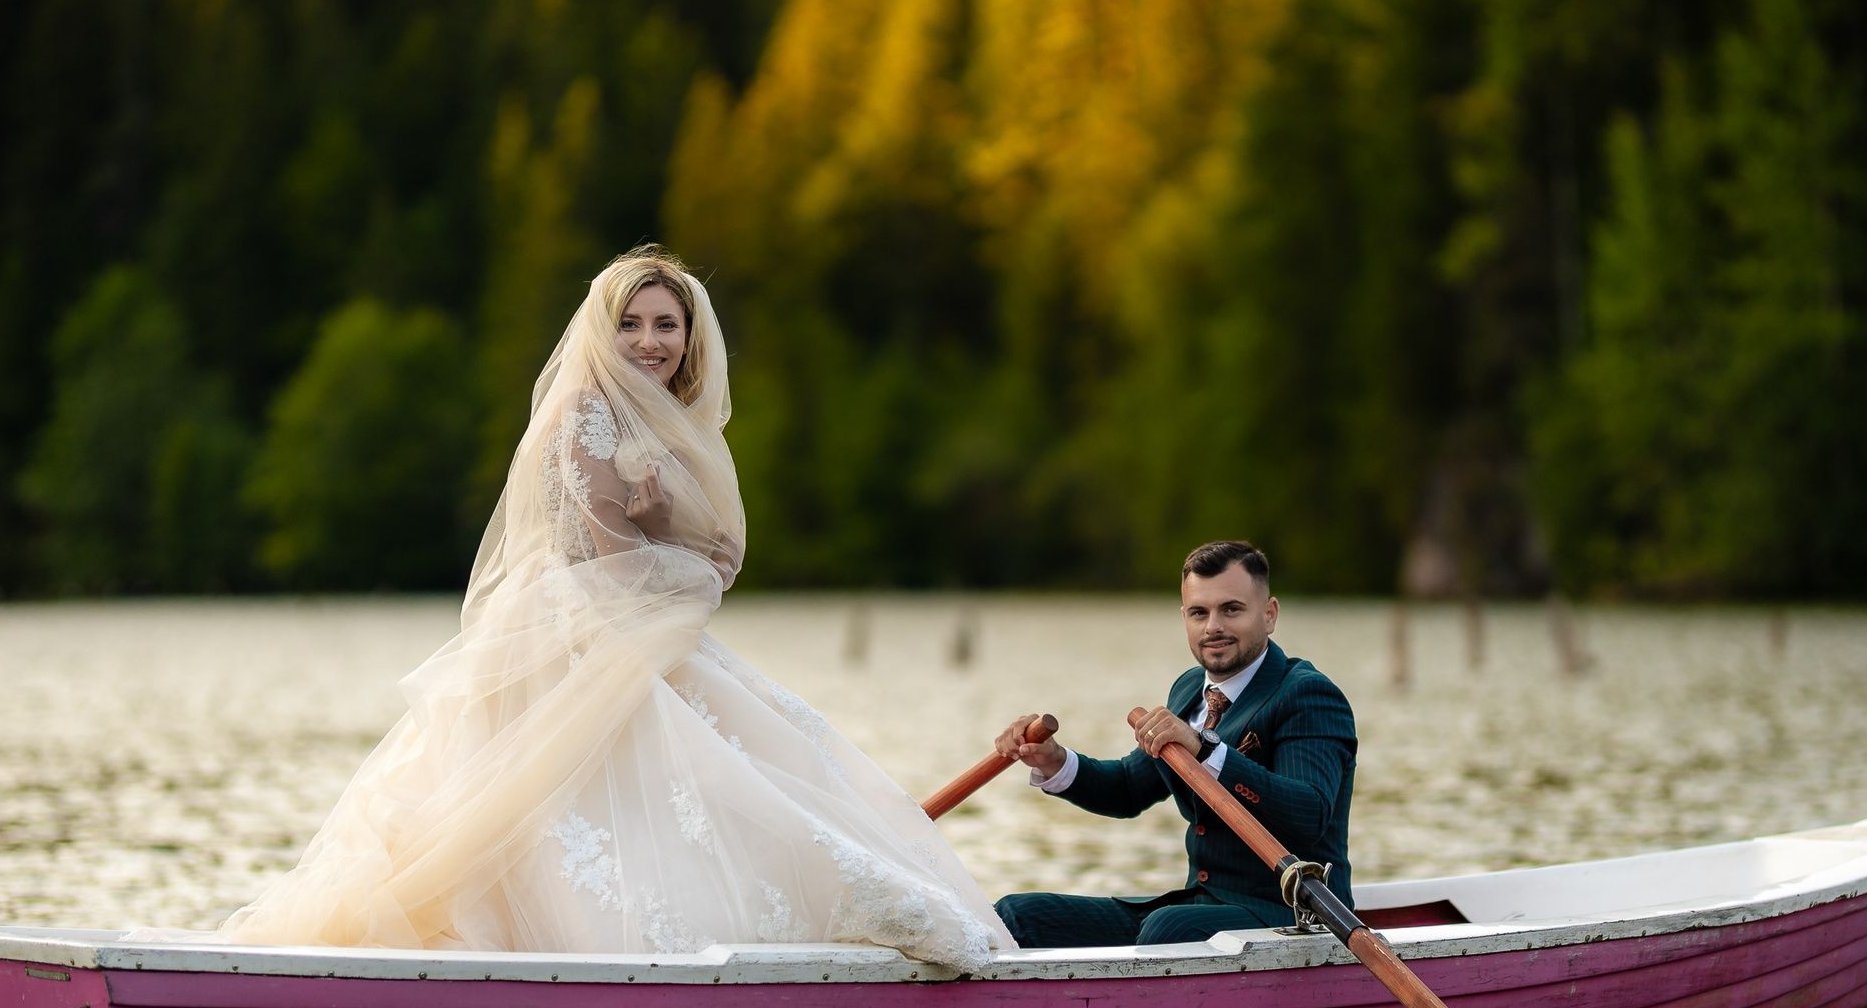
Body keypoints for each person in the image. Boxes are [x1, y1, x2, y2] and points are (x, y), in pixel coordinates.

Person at [216, 247, 1012, 971]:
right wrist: (692, 568)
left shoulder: (669, 422)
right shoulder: (582, 413)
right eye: (630, 323)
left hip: (637, 628)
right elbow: (608, 556)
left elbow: (691, 546)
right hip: (572, 634)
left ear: (690, 337)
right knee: (602, 795)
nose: (648, 341)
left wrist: (682, 544)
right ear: (602, 331)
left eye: (666, 324)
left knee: (755, 759)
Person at [989, 542, 1356, 948]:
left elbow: (1308, 814)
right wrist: (1054, 761)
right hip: (1200, 907)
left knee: (1169, 928)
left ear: (1269, 615)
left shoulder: (1308, 694)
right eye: (1199, 613)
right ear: (1185, 618)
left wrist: (1206, 750)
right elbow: (1129, 789)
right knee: (1016, 916)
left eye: (1231, 609)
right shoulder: (1188, 690)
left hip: (1294, 913)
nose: (1212, 626)